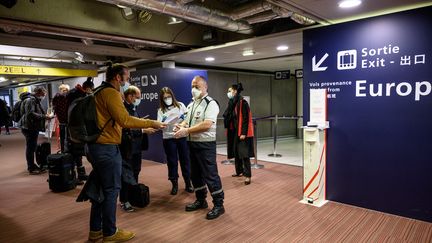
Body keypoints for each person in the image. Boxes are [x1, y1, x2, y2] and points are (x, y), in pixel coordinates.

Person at [85, 63, 165, 242]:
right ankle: (110, 233)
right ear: (118, 77)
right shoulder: (111, 93)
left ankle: (95, 230)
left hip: (96, 147)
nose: (127, 82)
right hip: (106, 148)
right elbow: (124, 120)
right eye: (126, 78)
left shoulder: (98, 91)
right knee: (111, 190)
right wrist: (151, 123)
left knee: (99, 189)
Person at [174, 75, 225, 220]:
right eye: (192, 86)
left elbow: (207, 124)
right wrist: (181, 126)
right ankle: (201, 200)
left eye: (197, 87)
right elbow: (186, 120)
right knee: (195, 175)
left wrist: (187, 130)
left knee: (210, 175)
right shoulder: (191, 104)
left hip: (205, 145)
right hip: (191, 144)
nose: (193, 89)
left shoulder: (211, 103)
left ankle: (219, 205)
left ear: (205, 87)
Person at [119, 85, 157, 212]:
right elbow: (125, 129)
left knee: (135, 172)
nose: (139, 99)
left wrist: (142, 129)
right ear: (130, 96)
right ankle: (124, 200)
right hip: (127, 148)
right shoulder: (123, 109)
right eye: (138, 97)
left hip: (136, 148)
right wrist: (143, 130)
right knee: (126, 175)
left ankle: (132, 196)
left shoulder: (133, 108)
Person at [157, 87, 193, 195]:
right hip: (168, 138)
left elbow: (187, 119)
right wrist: (163, 123)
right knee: (172, 162)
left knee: (185, 160)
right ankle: (174, 184)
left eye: (169, 96)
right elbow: (159, 125)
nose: (167, 99)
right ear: (162, 99)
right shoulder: (160, 110)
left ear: (172, 96)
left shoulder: (181, 105)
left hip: (181, 137)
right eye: (165, 98)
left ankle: (188, 183)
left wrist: (182, 123)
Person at [223, 83, 255, 185]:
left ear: (235, 91)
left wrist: (244, 133)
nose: (228, 93)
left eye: (230, 90)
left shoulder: (243, 102)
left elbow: (246, 119)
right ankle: (239, 171)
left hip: (241, 131)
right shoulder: (232, 102)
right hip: (234, 131)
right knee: (236, 153)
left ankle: (248, 176)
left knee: (244, 154)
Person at [66, 78, 94, 183]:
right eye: (92, 89)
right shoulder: (78, 96)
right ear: (87, 88)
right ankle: (72, 176)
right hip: (76, 127)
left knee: (77, 152)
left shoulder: (75, 93)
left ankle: (80, 174)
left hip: (74, 126)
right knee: (74, 153)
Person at [19, 87, 53, 175]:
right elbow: (30, 114)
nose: (44, 95)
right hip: (29, 127)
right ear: (39, 92)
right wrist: (44, 117)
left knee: (31, 147)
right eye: (44, 93)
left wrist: (43, 115)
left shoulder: (33, 100)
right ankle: (31, 167)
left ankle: (32, 165)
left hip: (30, 126)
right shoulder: (31, 100)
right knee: (30, 148)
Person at [52, 84, 70, 152]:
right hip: (67, 121)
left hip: (61, 121)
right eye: (65, 90)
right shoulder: (68, 97)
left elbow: (54, 107)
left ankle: (63, 150)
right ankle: (67, 151)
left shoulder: (56, 97)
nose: (65, 91)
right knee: (68, 137)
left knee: (62, 137)